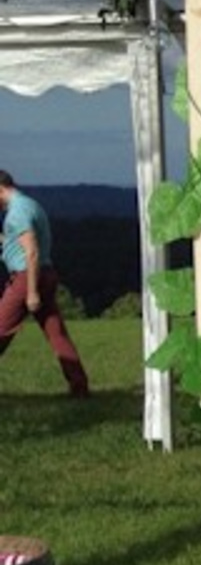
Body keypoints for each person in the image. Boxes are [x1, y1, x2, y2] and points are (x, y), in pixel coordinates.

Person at [0, 169, 90, 398]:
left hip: (26, 277)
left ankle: (79, 387)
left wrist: (30, 292)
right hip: (46, 274)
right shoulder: (29, 205)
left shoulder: (17, 213)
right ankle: (79, 386)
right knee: (56, 333)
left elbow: (31, 252)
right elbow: (21, 242)